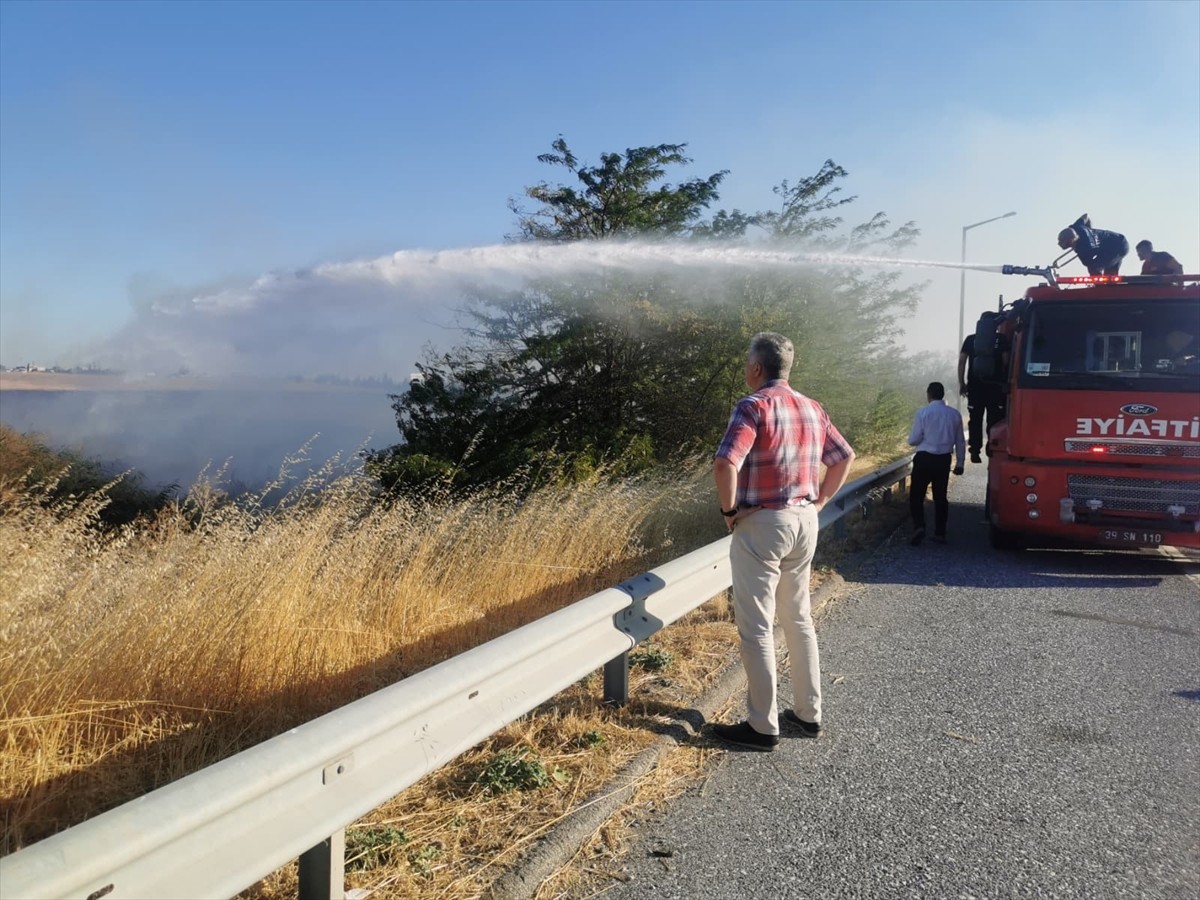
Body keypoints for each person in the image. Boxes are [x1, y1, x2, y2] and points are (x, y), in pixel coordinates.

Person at [711, 332, 855, 751]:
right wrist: (821, 500)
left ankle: (762, 725)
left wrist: (729, 511)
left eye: (747, 363)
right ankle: (809, 715)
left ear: (757, 368)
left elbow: (725, 462)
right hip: (805, 520)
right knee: (798, 618)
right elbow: (844, 456)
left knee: (757, 626)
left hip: (763, 524)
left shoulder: (753, 406)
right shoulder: (812, 407)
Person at [907, 382, 965, 546]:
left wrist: (913, 440)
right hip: (943, 460)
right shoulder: (954, 414)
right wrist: (960, 463)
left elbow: (914, 439)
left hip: (924, 458)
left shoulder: (923, 412)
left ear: (928, 395)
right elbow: (960, 441)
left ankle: (919, 526)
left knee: (917, 495)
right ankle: (940, 533)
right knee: (940, 497)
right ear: (942, 394)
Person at [958, 312, 1007, 464]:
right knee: (994, 419)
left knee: (975, 419)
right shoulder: (1001, 339)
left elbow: (962, 362)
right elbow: (1006, 362)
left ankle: (975, 450)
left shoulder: (971, 339)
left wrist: (962, 383)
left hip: (975, 386)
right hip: (995, 387)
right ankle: (991, 445)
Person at [1056, 214, 1129, 275]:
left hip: (1119, 246)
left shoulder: (1085, 248)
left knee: (1093, 268)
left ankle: (1099, 286)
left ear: (1072, 241)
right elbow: (1086, 216)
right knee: (1109, 276)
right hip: (1113, 243)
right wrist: (1089, 230)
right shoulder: (1077, 226)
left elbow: (1088, 264)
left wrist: (1077, 248)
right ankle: (1107, 286)